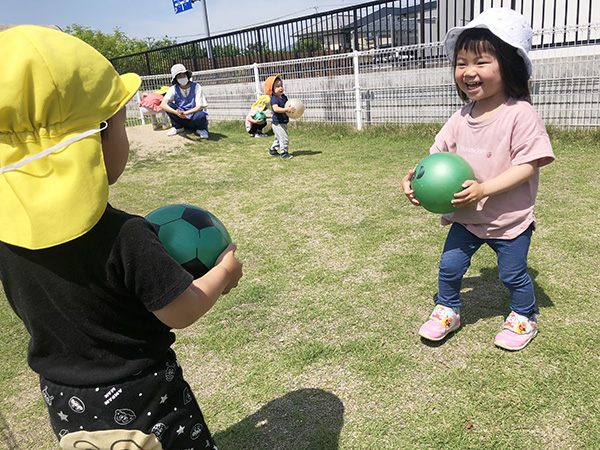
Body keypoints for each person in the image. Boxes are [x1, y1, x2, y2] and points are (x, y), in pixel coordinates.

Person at [0, 26, 243, 449]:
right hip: (144, 393)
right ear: (96, 137)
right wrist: (223, 271)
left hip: (63, 399)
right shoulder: (126, 235)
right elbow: (181, 311)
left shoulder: (5, 234)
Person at [401, 8, 555, 351]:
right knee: (450, 266)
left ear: (509, 65)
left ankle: (523, 315)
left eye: (481, 61)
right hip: (467, 218)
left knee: (512, 274)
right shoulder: (460, 118)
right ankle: (448, 309)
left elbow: (529, 165)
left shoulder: (521, 114)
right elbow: (435, 157)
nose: (469, 71)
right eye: (461, 62)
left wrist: (484, 189)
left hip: (508, 219)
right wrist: (416, 179)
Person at [160, 64, 210, 139]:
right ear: (176, 79)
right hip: (180, 117)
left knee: (201, 115)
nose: (182, 78)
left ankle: (201, 129)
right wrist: (176, 112)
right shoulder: (173, 89)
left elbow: (200, 106)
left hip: (193, 116)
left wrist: (185, 113)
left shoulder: (196, 86)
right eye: (179, 76)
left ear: (187, 76)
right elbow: (163, 104)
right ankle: (178, 127)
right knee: (169, 105)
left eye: (184, 75)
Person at [264, 74, 296, 160]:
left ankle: (273, 150)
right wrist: (286, 110)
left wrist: (299, 107)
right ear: (272, 90)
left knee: (278, 138)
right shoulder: (274, 99)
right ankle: (284, 153)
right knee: (284, 138)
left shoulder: (284, 97)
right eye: (277, 86)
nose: (280, 88)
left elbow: (290, 104)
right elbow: (276, 109)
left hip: (283, 122)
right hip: (277, 123)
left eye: (281, 85)